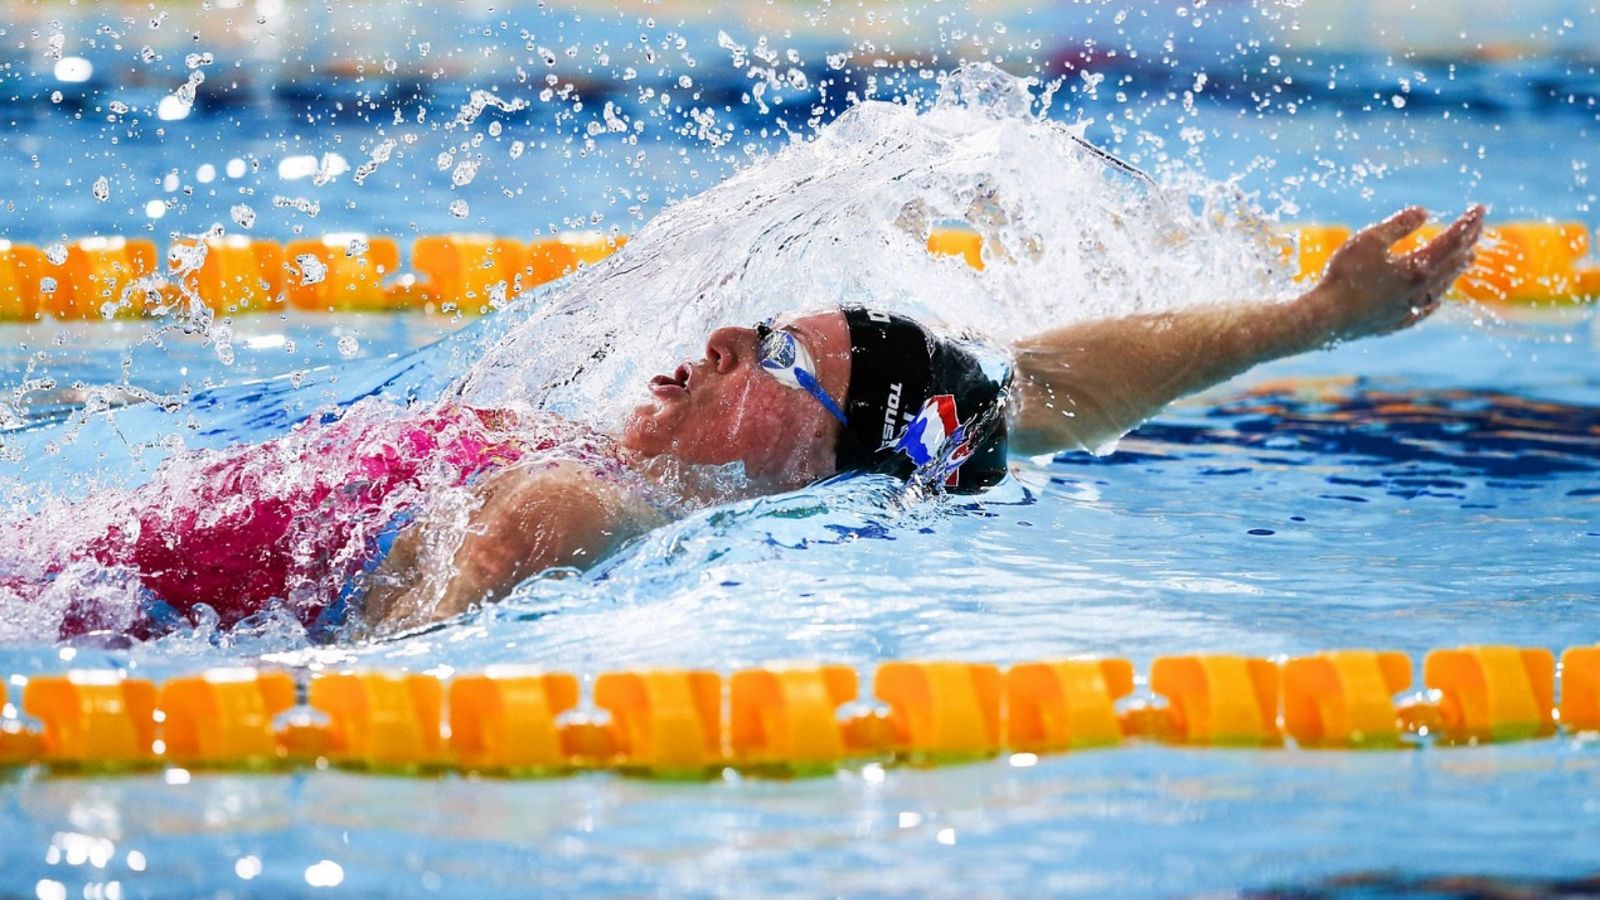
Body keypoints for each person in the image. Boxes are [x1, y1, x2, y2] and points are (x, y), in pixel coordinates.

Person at [13, 204, 1484, 640]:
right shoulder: (601, 461)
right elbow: (1028, 397)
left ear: (804, 455)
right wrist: (1306, 323)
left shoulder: (572, 505)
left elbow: (374, 673)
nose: (720, 339)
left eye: (775, 357)